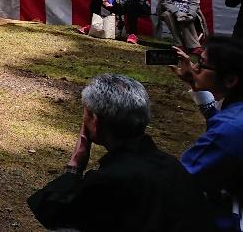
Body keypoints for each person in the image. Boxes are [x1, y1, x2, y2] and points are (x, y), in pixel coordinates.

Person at [27, 73, 213, 232]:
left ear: (95, 121)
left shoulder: (110, 180)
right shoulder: (172, 166)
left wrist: (75, 165)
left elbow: (51, 210)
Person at [173, 37, 243, 231]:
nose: (194, 68)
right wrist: (194, 85)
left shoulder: (229, 129)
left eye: (202, 64)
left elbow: (182, 179)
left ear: (230, 80)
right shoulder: (235, 113)